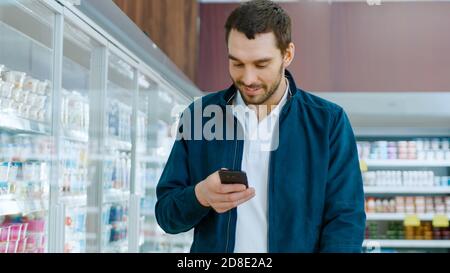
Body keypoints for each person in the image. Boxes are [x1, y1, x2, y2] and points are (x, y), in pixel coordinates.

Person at [155, 0, 366, 253]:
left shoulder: (328, 122)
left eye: (261, 64)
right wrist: (200, 196)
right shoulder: (198, 116)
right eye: (237, 63)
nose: (248, 78)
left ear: (287, 55)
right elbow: (166, 215)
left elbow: (345, 222)